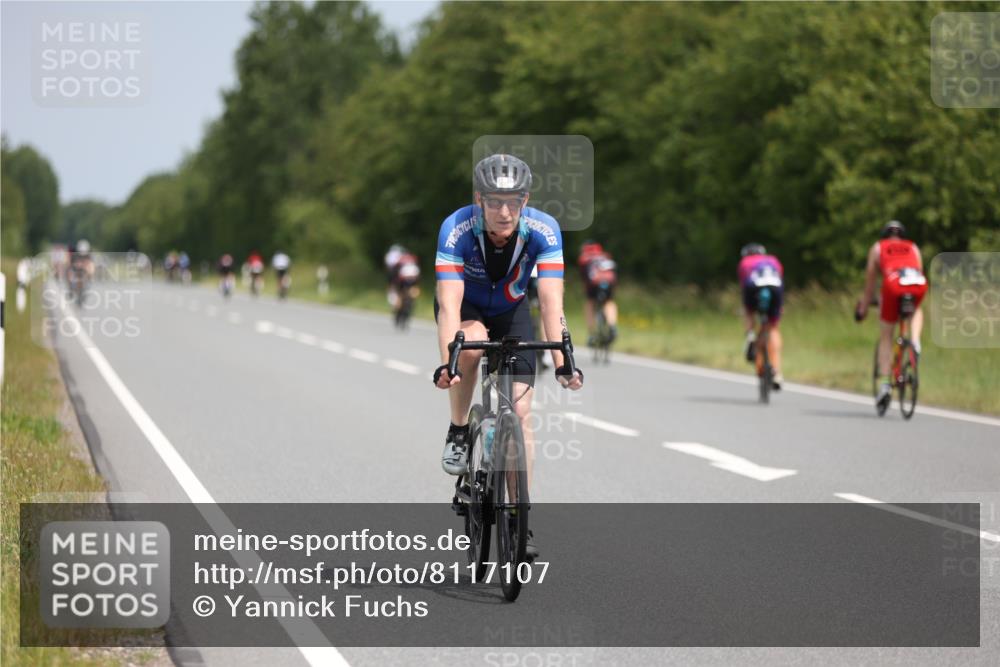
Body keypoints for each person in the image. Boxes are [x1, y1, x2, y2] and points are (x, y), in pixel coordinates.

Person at [433, 154, 584, 560]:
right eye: (495, 201)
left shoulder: (543, 229)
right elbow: (448, 306)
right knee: (474, 340)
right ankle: (460, 428)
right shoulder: (457, 228)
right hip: (469, 310)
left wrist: (562, 360)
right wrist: (451, 362)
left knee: (521, 415)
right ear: (479, 199)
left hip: (513, 310)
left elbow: (552, 304)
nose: (504, 211)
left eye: (513, 201)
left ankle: (520, 516)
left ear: (525, 199)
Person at [855, 220, 927, 411]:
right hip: (917, 282)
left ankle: (886, 384)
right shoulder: (913, 247)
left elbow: (870, 283)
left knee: (886, 335)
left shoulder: (878, 247)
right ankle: (915, 342)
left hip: (893, 283)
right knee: (917, 309)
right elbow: (918, 269)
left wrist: (863, 308)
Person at [738, 243, 785, 389]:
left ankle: (750, 335)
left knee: (748, 311)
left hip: (753, 286)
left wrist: (748, 309)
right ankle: (776, 373)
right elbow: (780, 277)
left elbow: (743, 285)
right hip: (775, 287)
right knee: (773, 328)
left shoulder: (744, 262)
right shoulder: (773, 260)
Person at [577, 241, 618, 346]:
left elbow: (584, 278)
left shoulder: (584, 258)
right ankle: (612, 326)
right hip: (609, 283)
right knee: (609, 302)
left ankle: (592, 334)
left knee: (590, 303)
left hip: (594, 284)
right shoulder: (605, 256)